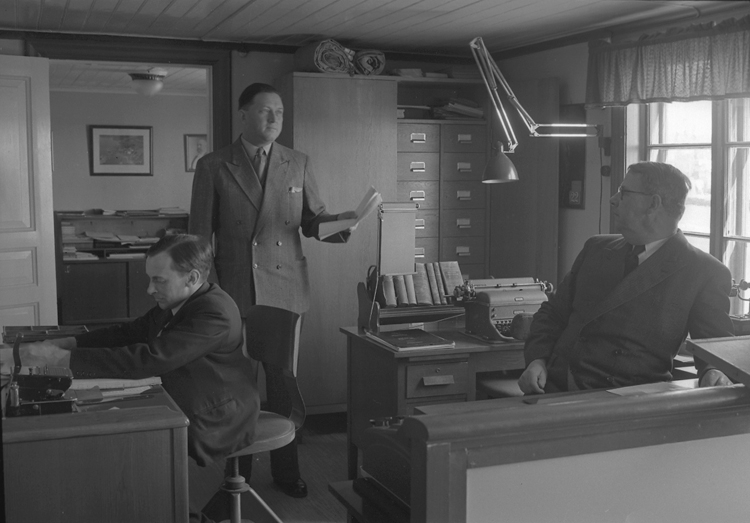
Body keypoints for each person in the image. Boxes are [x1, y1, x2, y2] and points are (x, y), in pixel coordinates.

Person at [1, 234, 258, 523]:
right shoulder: (183, 300)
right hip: (187, 393)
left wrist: (57, 359)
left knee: (131, 444)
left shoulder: (214, 312)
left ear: (192, 277)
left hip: (218, 410)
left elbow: (149, 359)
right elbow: (128, 333)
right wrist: (68, 343)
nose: (150, 289)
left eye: (158, 280)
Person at [188, 82, 357, 499]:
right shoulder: (213, 165)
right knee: (239, 386)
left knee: (283, 384)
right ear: (243, 114)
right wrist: (205, 293)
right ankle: (237, 475)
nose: (274, 119)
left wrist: (344, 223)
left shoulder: (297, 162)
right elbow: (199, 237)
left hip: (285, 290)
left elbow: (313, 221)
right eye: (265, 111)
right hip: (235, 290)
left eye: (279, 112)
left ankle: (286, 471)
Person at [518, 161, 735, 395]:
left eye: (623, 192)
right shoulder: (596, 249)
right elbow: (552, 313)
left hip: (626, 401)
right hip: (551, 389)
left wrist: (714, 371)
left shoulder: (703, 271)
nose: (613, 200)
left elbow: (715, 348)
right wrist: (537, 360)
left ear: (653, 204)